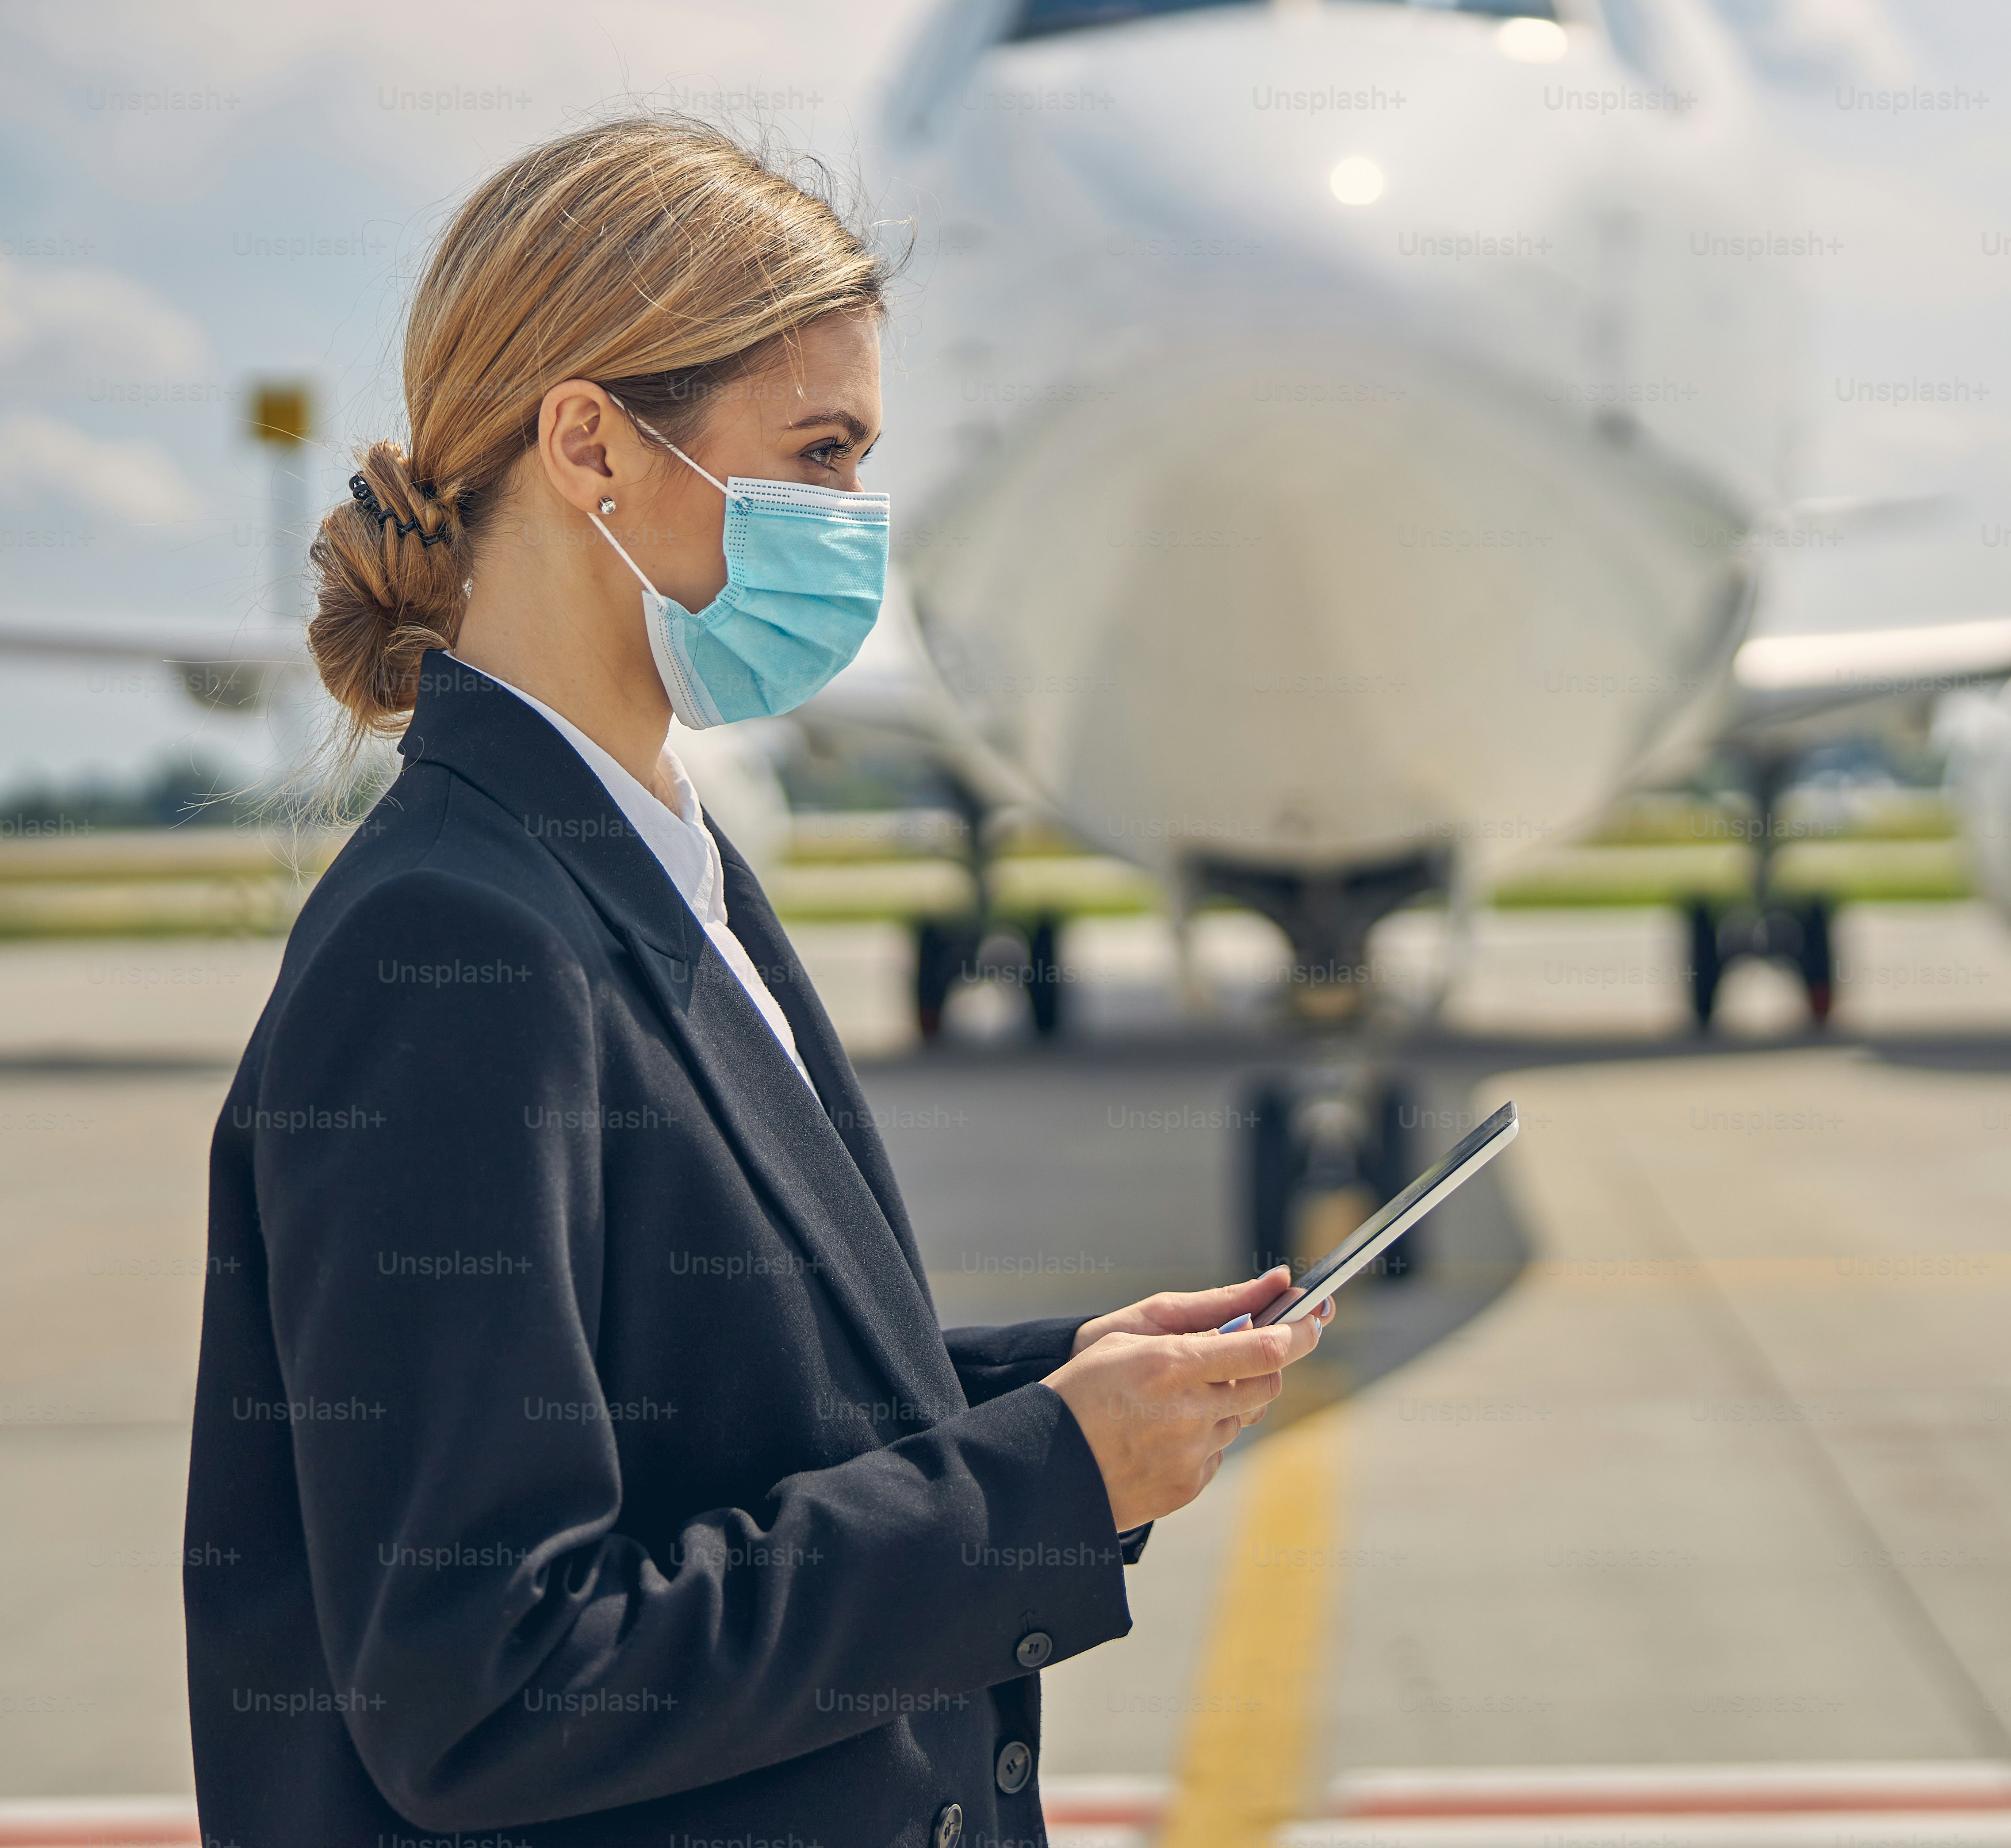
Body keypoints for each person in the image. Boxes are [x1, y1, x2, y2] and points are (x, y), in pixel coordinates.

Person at [183, 115, 1331, 1847]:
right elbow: (490, 1684)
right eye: (821, 450)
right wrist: (1041, 1489)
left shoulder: (665, 868)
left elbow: (704, 1406)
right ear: (591, 447)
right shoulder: (453, 946)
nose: (855, 520)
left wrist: (1057, 1395)